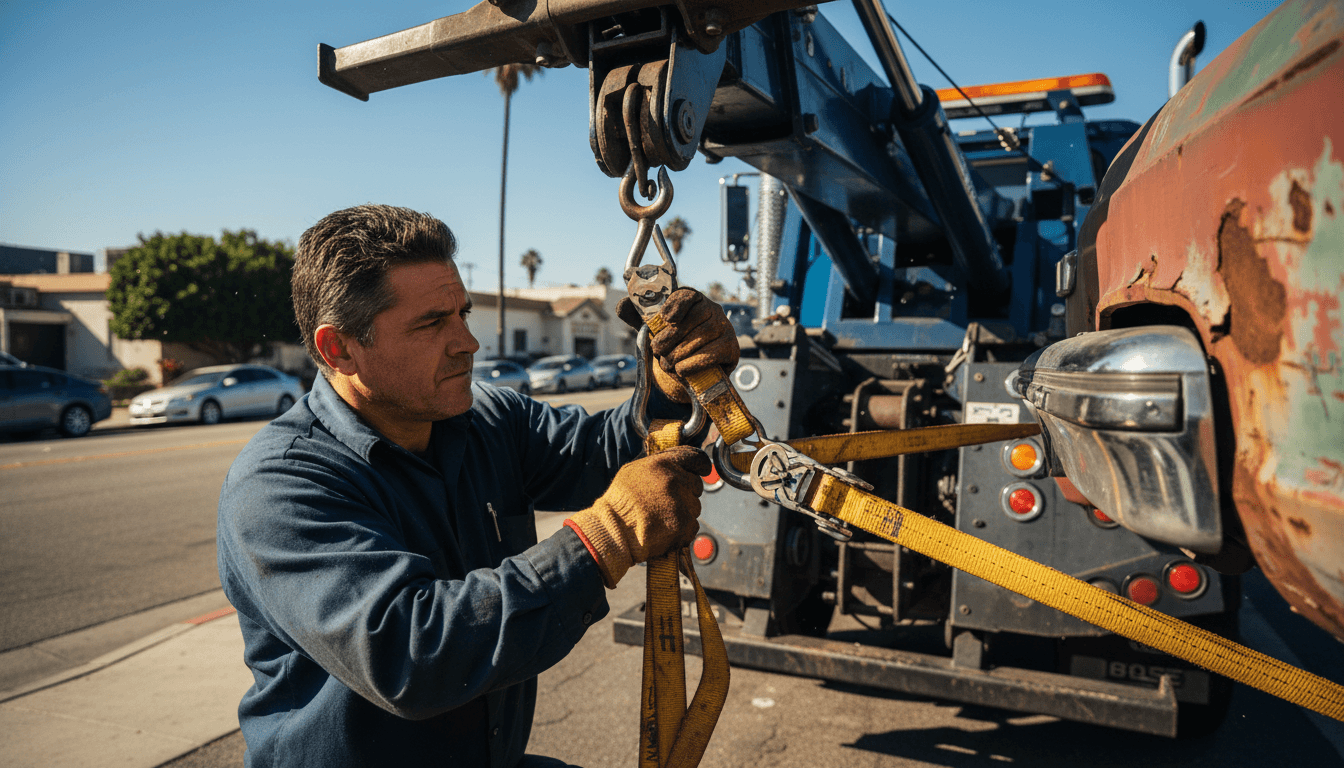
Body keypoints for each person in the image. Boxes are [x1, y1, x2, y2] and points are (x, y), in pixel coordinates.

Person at [216, 204, 739, 767]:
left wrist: (669, 384)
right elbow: (412, 655)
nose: (468, 342)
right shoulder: (281, 485)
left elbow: (601, 454)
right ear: (338, 348)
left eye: (462, 313)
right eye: (431, 323)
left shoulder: (485, 420)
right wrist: (604, 537)